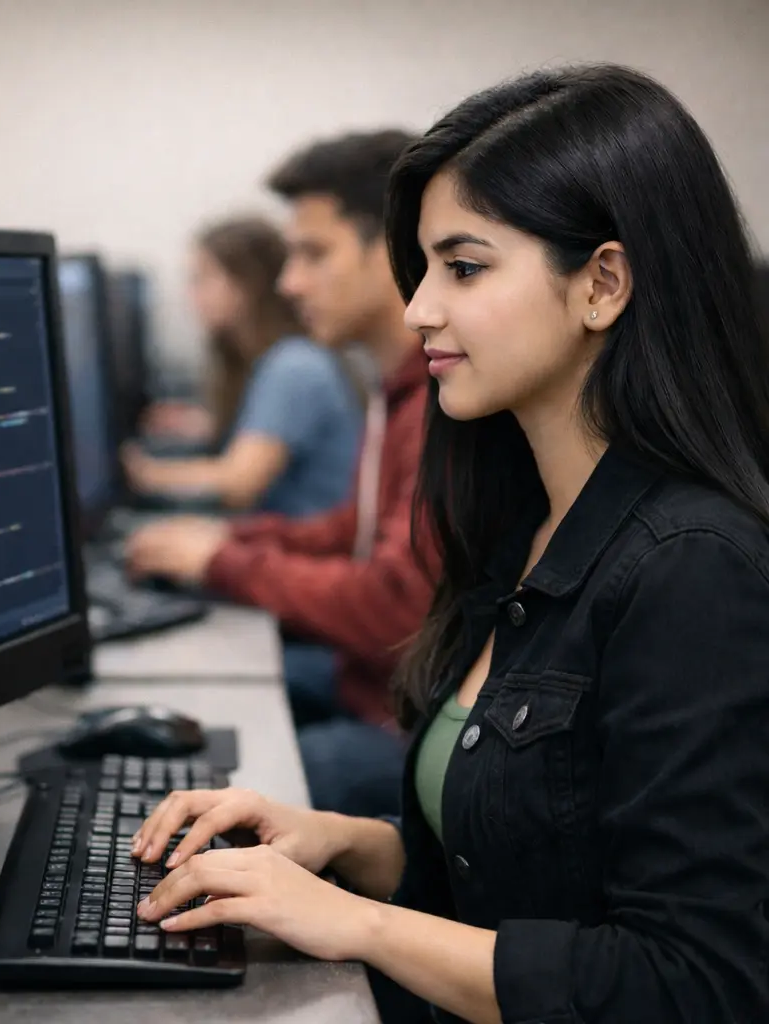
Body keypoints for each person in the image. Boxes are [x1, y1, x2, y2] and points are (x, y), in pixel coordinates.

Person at [128, 65, 769, 1024]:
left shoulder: (693, 568)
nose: (418, 308)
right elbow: (525, 878)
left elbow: (694, 982)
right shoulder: (518, 522)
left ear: (602, 284)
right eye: (423, 268)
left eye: (463, 268)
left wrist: (358, 924)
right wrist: (346, 843)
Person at [127, 130, 437, 818]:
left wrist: (224, 561)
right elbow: (357, 527)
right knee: (197, 708)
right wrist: (233, 543)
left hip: (401, 717)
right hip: (370, 683)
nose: (289, 281)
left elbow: (395, 608)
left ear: (391, 248)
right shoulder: (392, 385)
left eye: (314, 254)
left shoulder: (437, 402)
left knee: (207, 784)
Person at [124, 217, 362, 517]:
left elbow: (238, 484)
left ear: (246, 284)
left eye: (202, 279)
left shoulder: (294, 365)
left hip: (305, 538)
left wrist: (144, 472)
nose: (192, 295)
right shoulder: (271, 359)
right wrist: (205, 426)